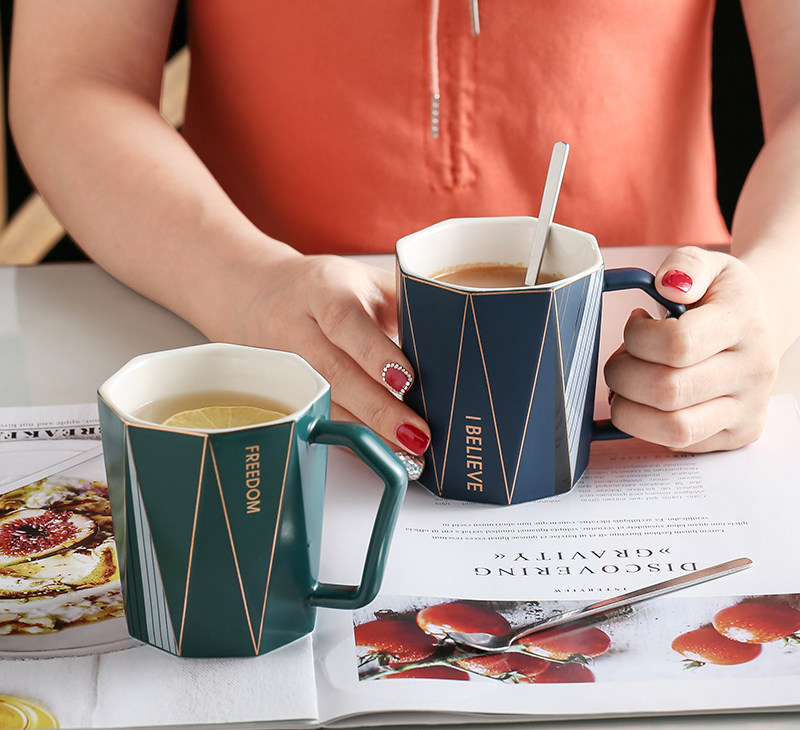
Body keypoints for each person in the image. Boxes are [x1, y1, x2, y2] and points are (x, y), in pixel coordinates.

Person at [8, 1, 800, 474]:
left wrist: (767, 296)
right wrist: (242, 286)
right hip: (259, 353)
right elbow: (75, 78)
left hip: (665, 370)